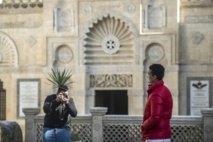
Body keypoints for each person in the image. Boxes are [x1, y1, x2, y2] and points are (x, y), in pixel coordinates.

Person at [141, 64, 173, 142]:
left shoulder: (156, 93)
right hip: (162, 136)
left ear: (154, 76)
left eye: (149, 74)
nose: (147, 76)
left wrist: (144, 125)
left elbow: (155, 118)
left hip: (156, 137)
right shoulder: (164, 90)